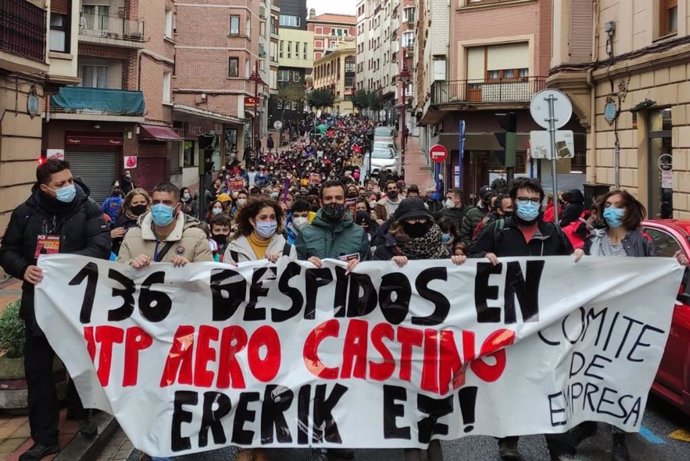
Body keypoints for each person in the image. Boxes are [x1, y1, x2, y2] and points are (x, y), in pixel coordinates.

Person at [0, 159, 111, 461]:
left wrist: (62, 267)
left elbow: (99, 247)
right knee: (38, 374)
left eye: (70, 181)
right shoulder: (25, 213)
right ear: (44, 188)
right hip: (39, 306)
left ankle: (83, 413)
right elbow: (7, 250)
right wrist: (24, 270)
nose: (68, 188)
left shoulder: (88, 209)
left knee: (81, 365)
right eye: (60, 184)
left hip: (79, 304)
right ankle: (45, 438)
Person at [469, 177, 576, 461]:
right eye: (523, 199)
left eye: (534, 199)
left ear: (541, 203)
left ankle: (559, 447)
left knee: (551, 384)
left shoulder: (554, 233)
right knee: (510, 382)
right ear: (513, 202)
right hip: (507, 322)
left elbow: (573, 268)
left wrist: (579, 257)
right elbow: (471, 258)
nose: (529, 205)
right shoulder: (498, 231)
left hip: (545, 322)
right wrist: (483, 255)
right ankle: (508, 440)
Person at [373, 197, 466, 461]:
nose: (417, 223)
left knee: (433, 396)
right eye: (410, 219)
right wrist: (389, 264)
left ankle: (433, 442)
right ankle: (411, 447)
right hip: (400, 336)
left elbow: (456, 287)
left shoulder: (441, 248)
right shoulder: (386, 249)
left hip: (435, 336)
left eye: (421, 219)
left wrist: (459, 262)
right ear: (398, 223)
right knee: (406, 395)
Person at [117, 182, 213, 268]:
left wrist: (188, 269)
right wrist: (131, 265)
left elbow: (206, 278)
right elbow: (117, 275)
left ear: (178, 207)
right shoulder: (131, 236)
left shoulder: (197, 238)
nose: (160, 207)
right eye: (156, 202)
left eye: (166, 203)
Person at [110, 188, 151, 256]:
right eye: (135, 203)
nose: (139, 205)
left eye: (142, 202)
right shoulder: (122, 221)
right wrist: (110, 236)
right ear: (129, 204)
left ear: (147, 202)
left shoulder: (153, 219)